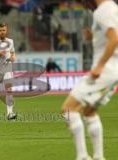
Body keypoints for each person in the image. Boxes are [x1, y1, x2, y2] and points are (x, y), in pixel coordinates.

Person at [62, 0, 118, 159]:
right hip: (113, 71)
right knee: (89, 111)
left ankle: (82, 157)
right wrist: (94, 36)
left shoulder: (103, 11)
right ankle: (98, 157)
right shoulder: (112, 8)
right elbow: (111, 36)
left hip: (104, 71)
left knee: (68, 109)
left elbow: (114, 39)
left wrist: (99, 66)